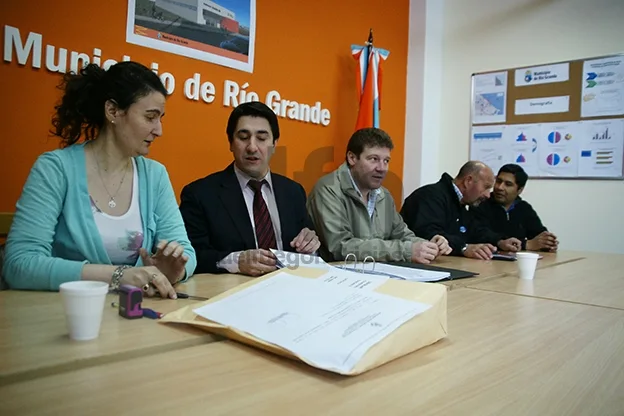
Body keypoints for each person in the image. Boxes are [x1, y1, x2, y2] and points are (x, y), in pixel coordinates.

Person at [3, 62, 196, 297]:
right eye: (150, 117)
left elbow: (186, 252)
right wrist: (119, 275)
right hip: (63, 316)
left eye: (160, 118)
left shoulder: (155, 175)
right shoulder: (55, 168)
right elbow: (20, 264)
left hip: (133, 319)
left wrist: (172, 270)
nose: (159, 130)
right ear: (113, 111)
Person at [179, 102, 320, 276]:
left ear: (274, 144)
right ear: (230, 142)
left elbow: (306, 244)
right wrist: (236, 261)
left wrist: (310, 244)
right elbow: (192, 255)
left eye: (261, 138)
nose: (252, 147)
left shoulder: (293, 191)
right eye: (243, 137)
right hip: (231, 294)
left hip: (288, 289)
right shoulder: (200, 194)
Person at [306, 127, 451, 263]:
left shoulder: (384, 195)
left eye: (386, 161)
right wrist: (406, 251)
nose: (382, 168)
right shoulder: (328, 189)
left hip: (375, 273)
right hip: (337, 278)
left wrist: (428, 245)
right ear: (352, 158)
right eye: (374, 159)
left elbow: (401, 234)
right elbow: (340, 247)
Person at [400, 161, 519, 260]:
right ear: (468, 181)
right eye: (486, 187)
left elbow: (475, 231)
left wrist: (499, 241)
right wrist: (464, 248)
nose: (488, 195)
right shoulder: (429, 197)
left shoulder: (462, 203)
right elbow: (429, 234)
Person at [473, 164, 558, 252]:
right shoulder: (480, 203)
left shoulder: (524, 208)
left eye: (508, 184)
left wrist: (547, 242)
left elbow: (538, 234)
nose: (500, 187)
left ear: (520, 190)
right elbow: (479, 234)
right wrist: (525, 244)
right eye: (498, 181)